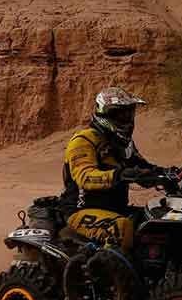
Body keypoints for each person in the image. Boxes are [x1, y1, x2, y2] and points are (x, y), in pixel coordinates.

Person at [61, 87, 159, 252]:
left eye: (129, 114)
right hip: (81, 211)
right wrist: (119, 175)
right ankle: (109, 276)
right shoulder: (84, 140)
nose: (127, 120)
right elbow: (85, 177)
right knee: (120, 227)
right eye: (121, 115)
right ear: (105, 114)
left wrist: (171, 173)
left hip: (115, 209)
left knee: (156, 221)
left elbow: (143, 168)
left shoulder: (123, 145)